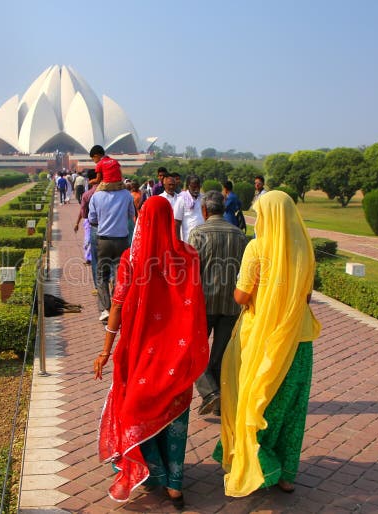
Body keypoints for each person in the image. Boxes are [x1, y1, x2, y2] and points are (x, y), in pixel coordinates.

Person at [95, 196, 209, 507]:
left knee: (138, 410)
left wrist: (106, 350)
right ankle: (174, 483)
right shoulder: (188, 256)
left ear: (143, 222)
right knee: (175, 419)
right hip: (179, 353)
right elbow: (196, 303)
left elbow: (116, 308)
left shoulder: (132, 260)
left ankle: (156, 475)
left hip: (143, 353)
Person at [213, 190, 321, 497]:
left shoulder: (257, 248)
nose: (257, 220)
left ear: (270, 217)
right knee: (291, 408)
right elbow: (306, 297)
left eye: (260, 214)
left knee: (255, 402)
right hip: (298, 341)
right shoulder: (304, 249)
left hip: (261, 338)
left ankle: (258, 464)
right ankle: (286, 475)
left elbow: (241, 296)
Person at [188, 191, 248, 416]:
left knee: (194, 352)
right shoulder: (239, 235)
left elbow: (191, 270)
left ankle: (210, 393)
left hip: (204, 303)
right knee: (220, 355)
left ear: (204, 211)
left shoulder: (198, 233)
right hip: (232, 304)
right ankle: (220, 400)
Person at [88, 174, 136, 322]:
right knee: (119, 275)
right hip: (122, 240)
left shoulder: (97, 196)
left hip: (103, 240)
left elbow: (92, 219)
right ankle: (118, 306)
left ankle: (105, 309)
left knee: (102, 274)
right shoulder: (126, 195)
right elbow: (131, 215)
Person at [75, 170, 101, 283]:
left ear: (90, 180)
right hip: (109, 226)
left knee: (90, 243)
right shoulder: (115, 193)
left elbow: (84, 212)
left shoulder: (88, 194)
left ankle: (90, 260)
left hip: (91, 223)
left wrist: (77, 222)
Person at [173, 175, 204, 243]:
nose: (196, 190)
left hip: (204, 239)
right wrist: (178, 242)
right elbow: (176, 223)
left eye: (198, 187)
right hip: (188, 240)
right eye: (194, 187)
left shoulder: (203, 198)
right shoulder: (181, 199)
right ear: (188, 186)